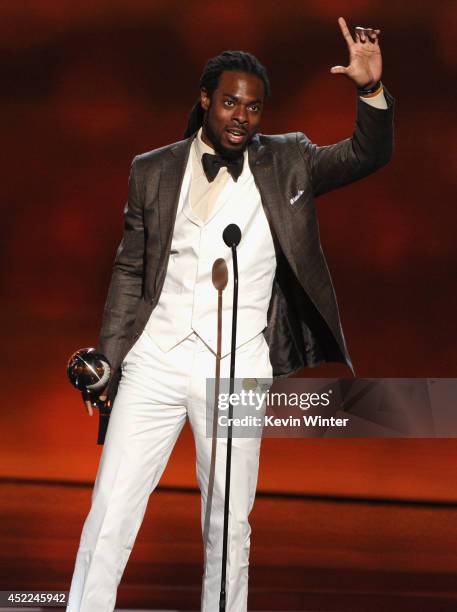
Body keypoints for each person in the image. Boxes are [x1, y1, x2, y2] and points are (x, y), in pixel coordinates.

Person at [67, 16, 394, 612]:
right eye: (230, 103)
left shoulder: (289, 161)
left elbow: (367, 154)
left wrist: (369, 91)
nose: (242, 117)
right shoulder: (153, 170)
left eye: (254, 107)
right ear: (205, 101)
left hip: (238, 363)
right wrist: (110, 360)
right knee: (111, 508)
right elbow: (128, 271)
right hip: (155, 360)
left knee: (228, 521)